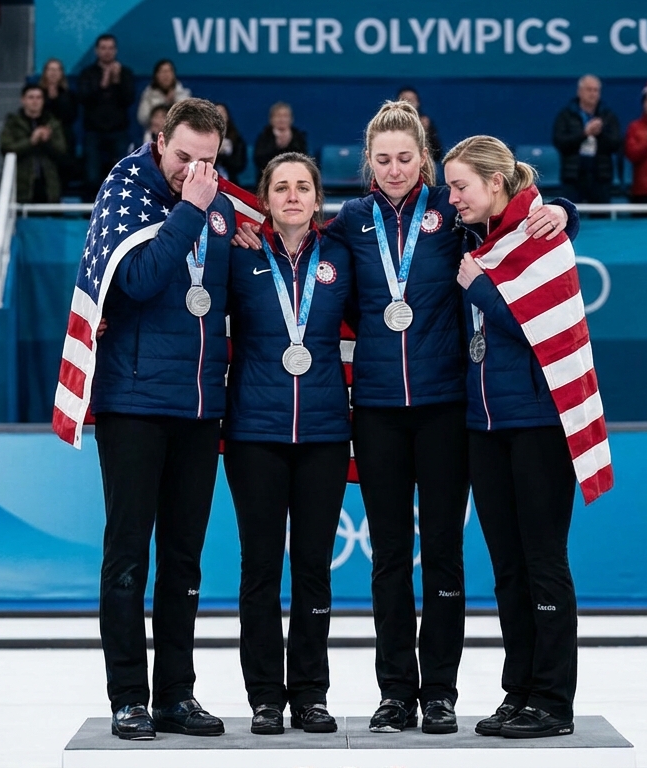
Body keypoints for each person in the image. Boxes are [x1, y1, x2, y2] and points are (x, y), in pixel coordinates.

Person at [232, 101, 571, 735]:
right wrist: (246, 229)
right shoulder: (351, 223)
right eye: (382, 159)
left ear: (426, 160)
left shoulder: (450, 216)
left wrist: (563, 211)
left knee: (443, 553)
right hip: (378, 412)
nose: (393, 170)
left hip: (446, 408)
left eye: (406, 159)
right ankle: (396, 693)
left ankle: (439, 690)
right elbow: (292, 245)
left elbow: (514, 208)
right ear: (368, 162)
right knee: (389, 556)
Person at [88, 98, 235, 741]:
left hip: (201, 407)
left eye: (208, 160)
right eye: (183, 157)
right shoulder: (125, 191)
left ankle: (176, 693)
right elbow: (140, 281)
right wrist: (191, 210)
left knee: (185, 560)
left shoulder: (223, 206)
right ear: (159, 140)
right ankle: (128, 696)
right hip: (135, 405)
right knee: (127, 557)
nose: (194, 171)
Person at [446, 134, 586, 739]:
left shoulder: (538, 235)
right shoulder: (473, 239)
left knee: (543, 563)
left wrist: (477, 284)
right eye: (449, 187)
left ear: (495, 184)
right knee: (506, 567)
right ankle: (519, 690)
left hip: (536, 425)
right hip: (484, 425)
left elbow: (539, 330)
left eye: (461, 187)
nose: (452, 197)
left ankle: (553, 700)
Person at [223, 152, 353, 736]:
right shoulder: (238, 256)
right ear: (265, 198)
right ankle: (264, 697)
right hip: (255, 432)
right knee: (259, 568)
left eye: (304, 187)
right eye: (281, 187)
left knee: (313, 568)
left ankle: (310, 692)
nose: (293, 196)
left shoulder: (343, 257)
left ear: (318, 199)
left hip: (325, 431)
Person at [77, 34, 135, 196]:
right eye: (103, 48)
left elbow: (129, 99)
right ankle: (88, 215)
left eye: (110, 48)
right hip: (93, 132)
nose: (107, 52)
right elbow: (84, 99)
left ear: (115, 50)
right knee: (92, 177)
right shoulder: (87, 73)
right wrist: (103, 82)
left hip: (119, 131)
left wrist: (116, 81)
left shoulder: (125, 73)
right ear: (97, 51)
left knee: (121, 177)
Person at [551, 75, 621, 204]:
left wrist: (599, 134)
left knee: (602, 219)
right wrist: (584, 134)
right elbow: (560, 142)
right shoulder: (566, 115)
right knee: (570, 217)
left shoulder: (608, 116)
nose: (593, 94)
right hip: (573, 176)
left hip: (600, 176)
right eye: (589, 90)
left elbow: (616, 144)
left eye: (596, 90)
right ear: (580, 91)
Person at [0, 84, 66, 205]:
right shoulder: (13, 123)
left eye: (39, 97)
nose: (35, 101)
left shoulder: (52, 123)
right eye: (31, 97)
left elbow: (62, 151)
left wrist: (47, 141)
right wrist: (31, 141)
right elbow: (6, 148)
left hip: (49, 183)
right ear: (23, 100)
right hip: (23, 184)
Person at [253, 102, 308, 185]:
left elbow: (304, 160)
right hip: (268, 180)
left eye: (285, 116)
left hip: (294, 179)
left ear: (291, 119)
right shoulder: (264, 137)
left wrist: (290, 142)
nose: (282, 119)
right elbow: (259, 160)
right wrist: (276, 145)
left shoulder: (298, 137)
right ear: (271, 119)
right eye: (278, 116)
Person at [39, 58, 78, 163]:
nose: (53, 73)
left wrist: (57, 99)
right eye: (50, 69)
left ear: (62, 73)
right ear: (45, 72)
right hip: (43, 137)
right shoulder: (36, 94)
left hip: (64, 137)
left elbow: (71, 116)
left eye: (57, 70)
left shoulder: (69, 95)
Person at [137, 60, 192, 129]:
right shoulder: (149, 94)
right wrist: (163, 104)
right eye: (162, 72)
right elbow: (142, 119)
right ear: (156, 75)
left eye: (168, 71)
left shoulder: (183, 94)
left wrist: (173, 103)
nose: (166, 75)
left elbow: (188, 119)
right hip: (154, 135)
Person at [395, 87, 441, 163]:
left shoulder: (425, 123)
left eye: (411, 100)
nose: (408, 104)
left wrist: (426, 133)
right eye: (404, 100)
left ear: (418, 103)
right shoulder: (389, 124)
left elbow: (437, 155)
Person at [213, 102, 247, 183]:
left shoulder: (236, 138)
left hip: (231, 181)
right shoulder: (203, 138)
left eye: (223, 113)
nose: (220, 116)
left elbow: (239, 164)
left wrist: (222, 155)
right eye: (217, 113)